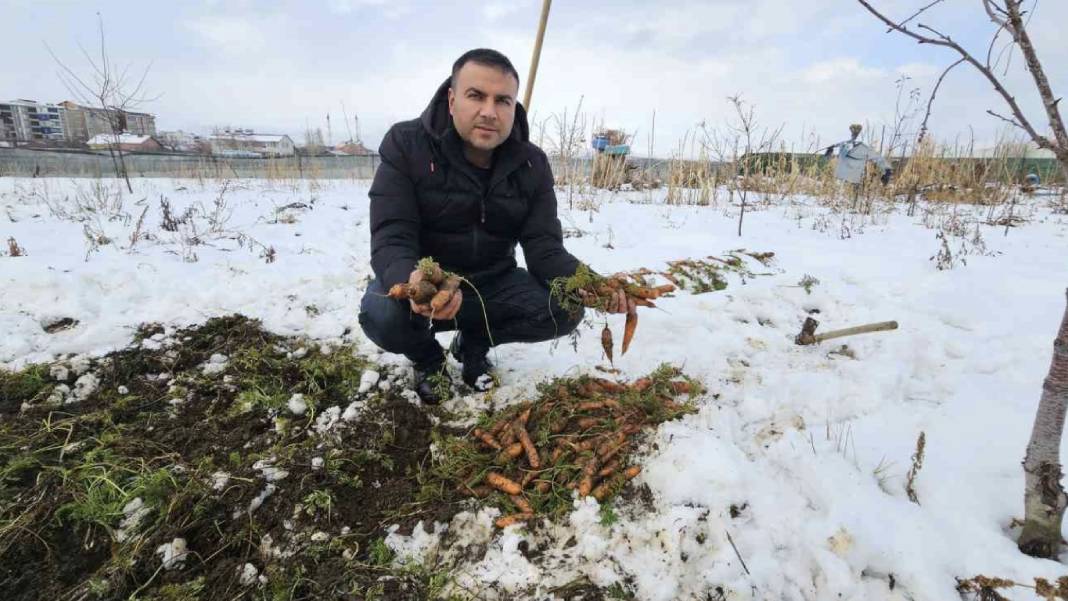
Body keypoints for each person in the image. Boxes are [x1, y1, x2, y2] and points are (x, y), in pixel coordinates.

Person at [358, 48, 631, 404]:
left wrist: (591, 283)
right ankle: (428, 360)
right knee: (381, 314)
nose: (489, 111)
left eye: (502, 100)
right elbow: (392, 235)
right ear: (452, 99)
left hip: (493, 283)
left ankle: (473, 345)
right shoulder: (406, 144)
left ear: (514, 107)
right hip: (428, 285)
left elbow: (544, 249)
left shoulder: (531, 163)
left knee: (564, 307)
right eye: (476, 96)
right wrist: (414, 282)